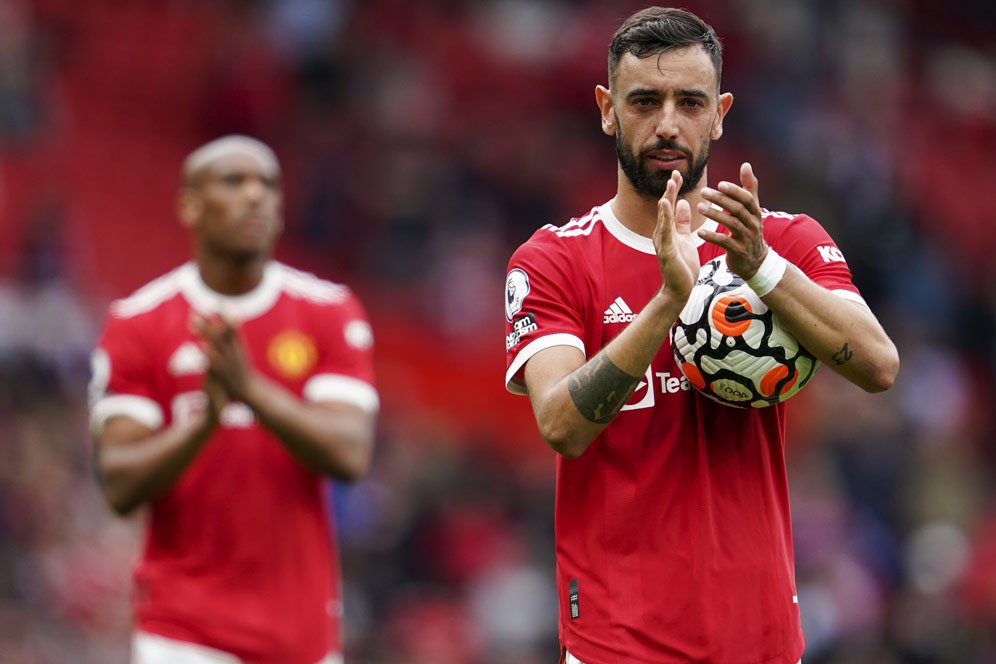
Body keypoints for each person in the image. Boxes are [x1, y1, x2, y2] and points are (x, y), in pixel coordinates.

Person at [503, 7, 899, 664]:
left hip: (763, 641)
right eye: (643, 101)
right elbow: (561, 424)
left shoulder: (782, 240)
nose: (667, 123)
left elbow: (879, 365)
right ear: (606, 109)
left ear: (720, 113)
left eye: (690, 101)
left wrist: (761, 269)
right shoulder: (553, 261)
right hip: (617, 646)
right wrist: (668, 304)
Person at [88, 135, 379, 664]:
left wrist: (249, 391)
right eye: (233, 181)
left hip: (303, 633)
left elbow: (349, 454)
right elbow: (119, 483)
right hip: (183, 628)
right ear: (189, 205)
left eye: (268, 184)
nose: (255, 196)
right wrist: (203, 423)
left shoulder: (327, 311)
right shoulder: (139, 322)